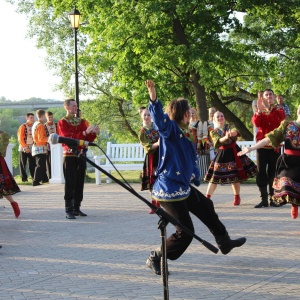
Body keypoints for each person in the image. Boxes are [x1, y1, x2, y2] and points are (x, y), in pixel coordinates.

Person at [144, 80, 246, 276]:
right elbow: (158, 118)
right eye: (189, 110)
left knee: (206, 207)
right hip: (169, 190)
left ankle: (224, 242)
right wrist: (153, 96)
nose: (192, 113)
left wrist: (194, 175)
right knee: (185, 232)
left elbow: (188, 158)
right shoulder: (171, 129)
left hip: (182, 186)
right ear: (181, 113)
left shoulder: (186, 132)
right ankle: (155, 256)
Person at [238, 104, 300, 219]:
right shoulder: (287, 125)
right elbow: (269, 138)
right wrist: (251, 148)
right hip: (289, 163)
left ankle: (295, 204)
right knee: (287, 185)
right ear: (298, 110)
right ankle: (293, 204)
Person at [57, 99, 99, 220]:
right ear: (67, 107)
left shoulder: (82, 121)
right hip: (69, 155)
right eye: (73, 106)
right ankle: (68, 209)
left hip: (81, 154)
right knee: (70, 182)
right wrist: (85, 132)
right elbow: (67, 138)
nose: (76, 108)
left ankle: (77, 207)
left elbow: (87, 139)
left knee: (80, 181)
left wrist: (93, 133)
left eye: (76, 106)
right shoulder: (62, 122)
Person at [204, 111, 257, 205]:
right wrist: (225, 137)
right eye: (218, 117)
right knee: (214, 177)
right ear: (214, 119)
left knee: (235, 176)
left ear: (224, 118)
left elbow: (236, 132)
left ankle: (237, 197)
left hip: (234, 152)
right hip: (222, 153)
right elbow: (218, 141)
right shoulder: (213, 131)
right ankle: (207, 198)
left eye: (222, 116)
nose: (220, 118)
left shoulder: (229, 126)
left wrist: (233, 133)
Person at [251, 89, 285, 208]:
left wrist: (269, 109)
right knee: (260, 172)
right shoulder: (259, 111)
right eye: (266, 95)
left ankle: (273, 198)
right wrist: (259, 111)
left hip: (274, 146)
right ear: (263, 97)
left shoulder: (279, 110)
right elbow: (256, 123)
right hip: (262, 146)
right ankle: (264, 199)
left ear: (274, 97)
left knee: (273, 173)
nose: (268, 96)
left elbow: (280, 120)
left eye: (270, 94)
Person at [138, 108, 160, 214]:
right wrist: (157, 144)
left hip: (160, 156)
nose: (147, 117)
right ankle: (153, 204)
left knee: (160, 179)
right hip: (151, 157)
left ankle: (160, 202)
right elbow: (147, 146)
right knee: (152, 180)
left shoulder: (156, 129)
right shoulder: (142, 132)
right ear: (142, 117)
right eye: (145, 115)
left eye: (149, 115)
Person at [0, 130, 21, 218]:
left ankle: (13, 203)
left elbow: (2, 150)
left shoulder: (2, 135)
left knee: (3, 186)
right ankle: (13, 203)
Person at [32, 110, 49, 186]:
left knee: (39, 164)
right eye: (45, 116)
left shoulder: (35, 124)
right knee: (40, 164)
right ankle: (36, 181)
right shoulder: (41, 125)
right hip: (40, 146)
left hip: (36, 146)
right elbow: (41, 138)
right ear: (42, 116)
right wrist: (49, 139)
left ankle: (42, 179)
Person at [17, 112, 35, 182]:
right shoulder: (23, 126)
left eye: (33, 117)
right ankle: (24, 179)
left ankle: (34, 178)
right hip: (23, 148)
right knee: (23, 164)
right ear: (27, 118)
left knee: (32, 163)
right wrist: (25, 147)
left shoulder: (33, 126)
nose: (32, 119)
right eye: (31, 117)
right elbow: (20, 138)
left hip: (31, 147)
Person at [44, 111, 57, 179]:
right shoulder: (44, 126)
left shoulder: (56, 124)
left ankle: (56, 174)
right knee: (49, 161)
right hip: (48, 145)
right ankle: (50, 175)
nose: (51, 118)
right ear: (46, 117)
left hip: (56, 145)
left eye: (51, 117)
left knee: (56, 160)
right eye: (49, 117)